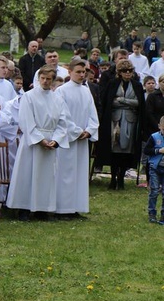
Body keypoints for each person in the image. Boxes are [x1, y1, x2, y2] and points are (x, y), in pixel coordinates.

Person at [6, 65, 69, 221]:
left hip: (50, 140)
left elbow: (63, 122)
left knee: (46, 177)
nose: (46, 81)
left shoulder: (58, 99)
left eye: (49, 79)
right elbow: (26, 120)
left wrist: (56, 140)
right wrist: (40, 140)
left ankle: (42, 209)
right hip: (32, 142)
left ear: (53, 80)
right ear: (38, 78)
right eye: (43, 78)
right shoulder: (28, 96)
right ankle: (24, 208)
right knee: (27, 174)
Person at [54, 59, 99, 217]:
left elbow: (93, 113)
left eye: (84, 72)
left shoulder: (86, 90)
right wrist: (77, 131)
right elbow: (62, 115)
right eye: (78, 72)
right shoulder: (62, 91)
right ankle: (63, 208)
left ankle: (76, 207)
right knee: (66, 173)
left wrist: (90, 130)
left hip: (82, 139)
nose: (82, 75)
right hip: (68, 139)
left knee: (80, 173)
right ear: (69, 72)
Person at [97, 59, 145, 190]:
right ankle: (113, 178)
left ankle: (122, 178)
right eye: (125, 71)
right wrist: (126, 102)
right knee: (114, 149)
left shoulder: (137, 85)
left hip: (130, 120)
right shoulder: (113, 84)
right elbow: (109, 101)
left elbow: (139, 102)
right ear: (119, 72)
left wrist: (122, 100)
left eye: (130, 71)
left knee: (126, 149)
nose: (128, 73)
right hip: (114, 119)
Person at [144, 116, 164, 223]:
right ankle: (152, 213)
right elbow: (146, 150)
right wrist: (158, 151)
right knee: (154, 191)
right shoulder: (154, 137)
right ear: (159, 126)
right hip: (155, 168)